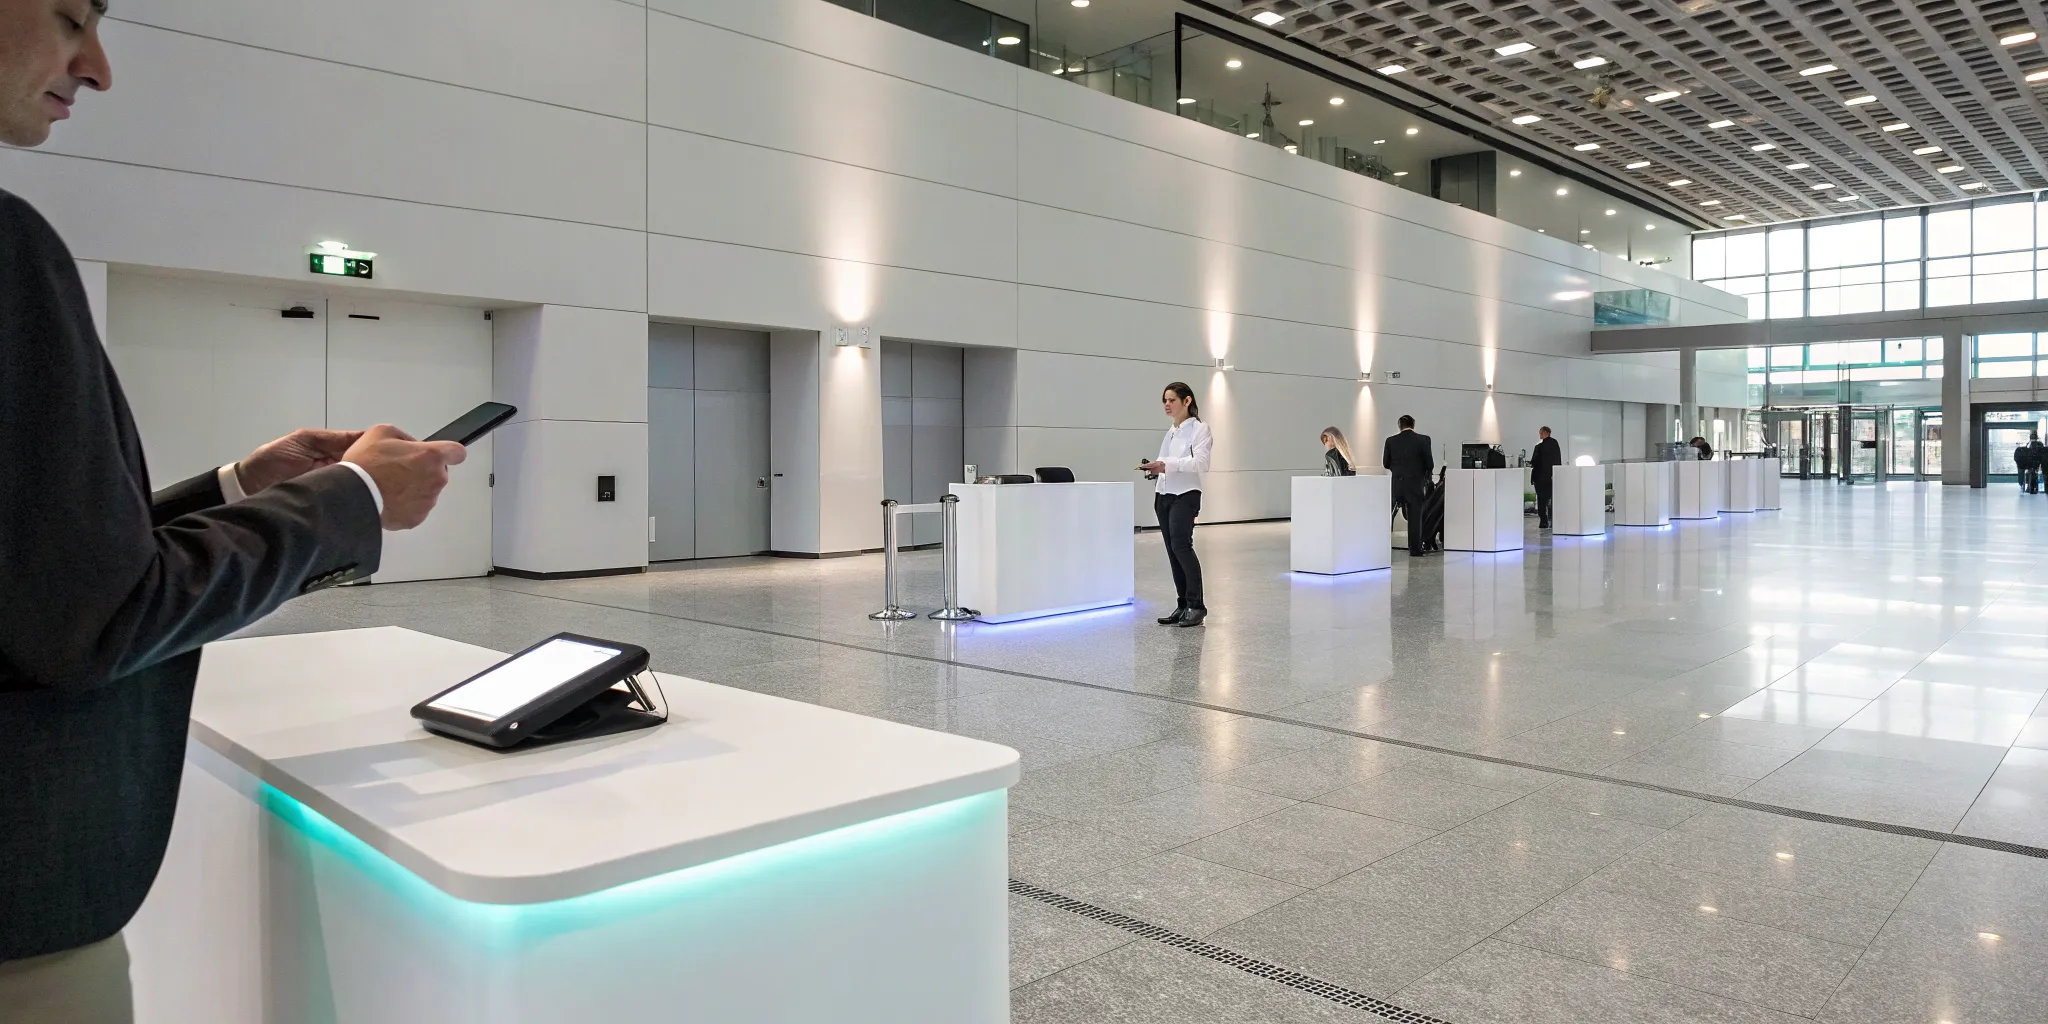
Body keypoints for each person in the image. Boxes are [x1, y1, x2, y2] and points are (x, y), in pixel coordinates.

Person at [0, 4, 468, 1018]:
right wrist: (355, 498)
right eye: (70, 17)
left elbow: (35, 562)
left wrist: (237, 489)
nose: (99, 68)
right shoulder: (7, 249)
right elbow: (92, 619)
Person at [1140, 382, 1211, 627]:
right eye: (1165, 401)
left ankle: (1197, 605)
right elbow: (1165, 461)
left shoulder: (1200, 429)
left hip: (1186, 494)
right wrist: (1156, 467)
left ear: (1187, 401)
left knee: (1182, 547)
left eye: (1171, 400)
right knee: (1172, 551)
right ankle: (1183, 604)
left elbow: (1200, 463)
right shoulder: (1171, 431)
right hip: (1164, 494)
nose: (1167, 405)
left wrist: (1168, 464)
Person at [1383, 415, 1434, 556]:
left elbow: (1385, 463)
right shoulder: (1424, 440)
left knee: (1388, 515)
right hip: (1415, 484)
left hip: (1397, 484)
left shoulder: (1390, 441)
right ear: (1413, 424)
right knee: (1414, 518)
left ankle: (1382, 545)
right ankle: (1415, 549)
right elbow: (1430, 464)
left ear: (1400, 425)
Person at [1531, 426, 1562, 530]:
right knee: (1551, 499)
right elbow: (1557, 460)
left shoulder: (1539, 447)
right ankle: (1552, 520)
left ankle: (1543, 521)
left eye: (1541, 433)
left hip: (1540, 478)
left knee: (1541, 500)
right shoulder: (1555, 444)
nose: (1540, 435)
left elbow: (1534, 462)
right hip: (1551, 476)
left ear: (1546, 433)